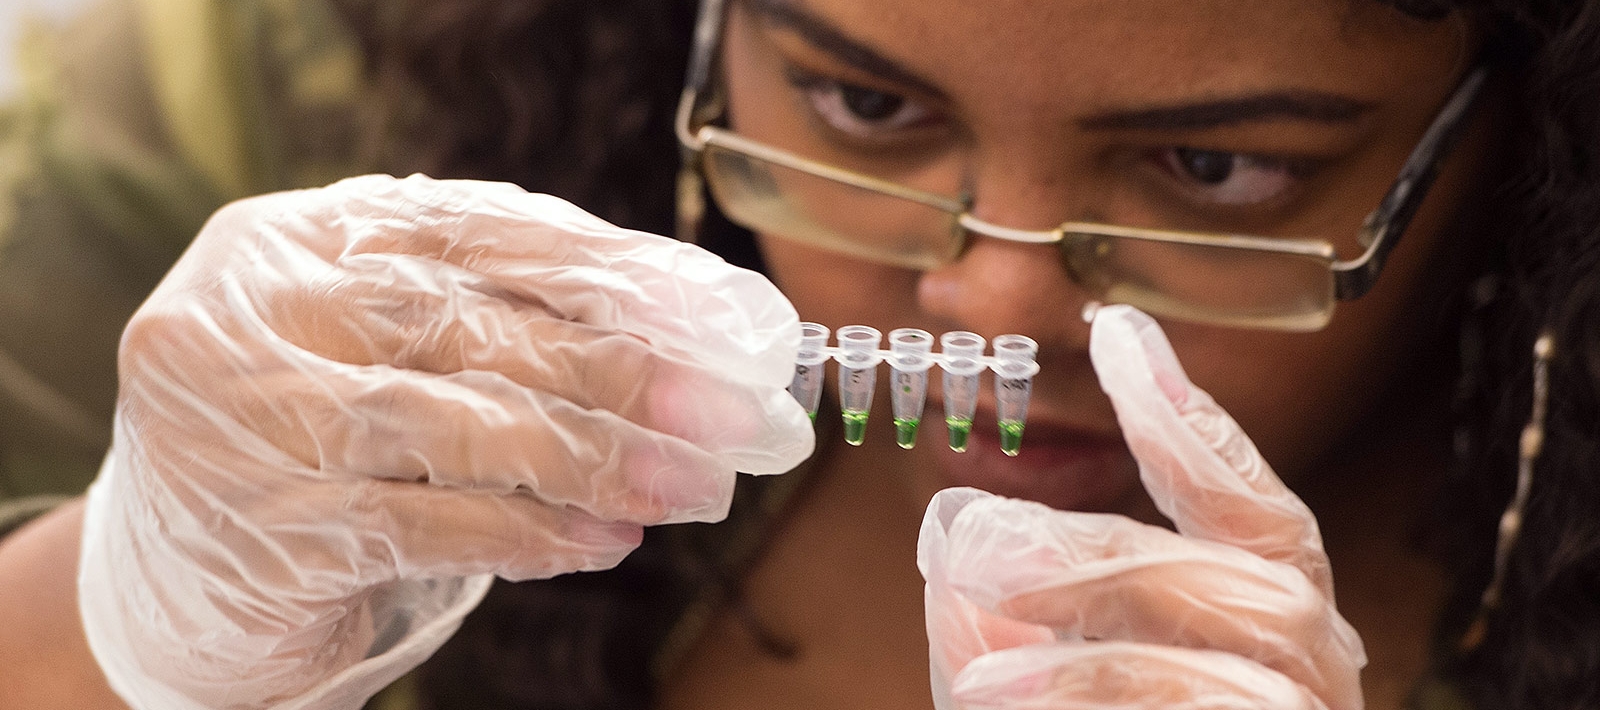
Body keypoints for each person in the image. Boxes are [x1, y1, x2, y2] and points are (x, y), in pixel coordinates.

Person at [0, 0, 1596, 709]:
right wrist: (120, 625)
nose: (993, 308)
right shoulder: (289, 94)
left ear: (1520, 138)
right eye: (864, 104)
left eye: (1216, 168)